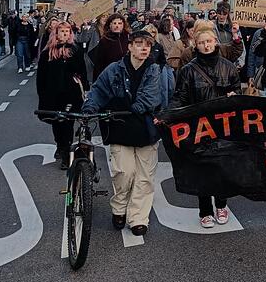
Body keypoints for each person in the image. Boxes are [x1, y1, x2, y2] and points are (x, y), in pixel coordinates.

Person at [82, 30, 161, 237]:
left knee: (145, 178)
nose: (144, 48)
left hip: (146, 130)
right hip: (120, 128)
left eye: (147, 45)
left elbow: (150, 98)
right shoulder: (114, 70)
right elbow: (99, 91)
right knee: (123, 173)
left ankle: (138, 218)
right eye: (139, 44)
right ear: (130, 46)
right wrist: (91, 107)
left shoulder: (153, 70)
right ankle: (119, 208)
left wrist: (124, 105)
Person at [170, 21, 241, 228]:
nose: (206, 45)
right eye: (202, 42)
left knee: (221, 167)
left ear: (216, 43)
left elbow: (238, 90)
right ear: (195, 45)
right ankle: (205, 210)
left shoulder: (228, 67)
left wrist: (234, 95)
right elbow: (180, 97)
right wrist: (168, 114)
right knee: (201, 168)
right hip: (198, 126)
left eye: (209, 41)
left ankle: (221, 205)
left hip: (222, 125)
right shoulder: (188, 70)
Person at [36, 22, 88, 169]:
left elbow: (82, 70)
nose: (65, 34)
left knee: (68, 123)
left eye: (67, 31)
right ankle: (60, 144)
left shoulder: (75, 50)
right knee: (56, 122)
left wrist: (84, 86)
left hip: (70, 93)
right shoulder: (48, 53)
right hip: (52, 92)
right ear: (56, 33)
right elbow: (41, 76)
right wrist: (42, 94)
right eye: (62, 31)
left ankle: (66, 154)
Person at [92, 13, 130, 81]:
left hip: (126, 76)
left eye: (119, 23)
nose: (117, 26)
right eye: (114, 23)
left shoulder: (129, 38)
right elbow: (99, 64)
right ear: (110, 25)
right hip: (110, 76)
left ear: (123, 25)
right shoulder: (104, 41)